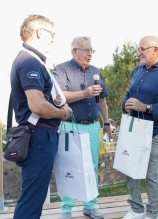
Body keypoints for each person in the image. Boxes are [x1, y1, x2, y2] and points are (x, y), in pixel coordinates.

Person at [10, 15, 73, 219]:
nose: (53, 40)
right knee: (32, 200)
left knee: (34, 197)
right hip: (39, 136)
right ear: (39, 32)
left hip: (39, 136)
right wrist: (62, 113)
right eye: (51, 34)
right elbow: (36, 104)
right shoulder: (29, 61)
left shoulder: (30, 59)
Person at [121, 35, 158, 219]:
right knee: (130, 170)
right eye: (138, 49)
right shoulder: (137, 70)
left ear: (155, 50)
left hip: (156, 131)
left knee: (150, 174)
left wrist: (145, 107)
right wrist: (125, 104)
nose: (139, 52)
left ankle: (152, 213)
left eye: (142, 49)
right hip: (134, 129)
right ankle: (137, 209)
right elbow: (128, 95)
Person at [53, 36, 111, 219]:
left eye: (91, 50)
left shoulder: (96, 71)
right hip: (69, 126)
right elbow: (59, 96)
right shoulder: (62, 69)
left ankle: (90, 205)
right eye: (86, 50)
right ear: (74, 51)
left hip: (93, 127)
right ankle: (66, 209)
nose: (89, 54)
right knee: (67, 167)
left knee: (92, 167)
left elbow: (102, 100)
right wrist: (85, 93)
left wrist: (107, 122)